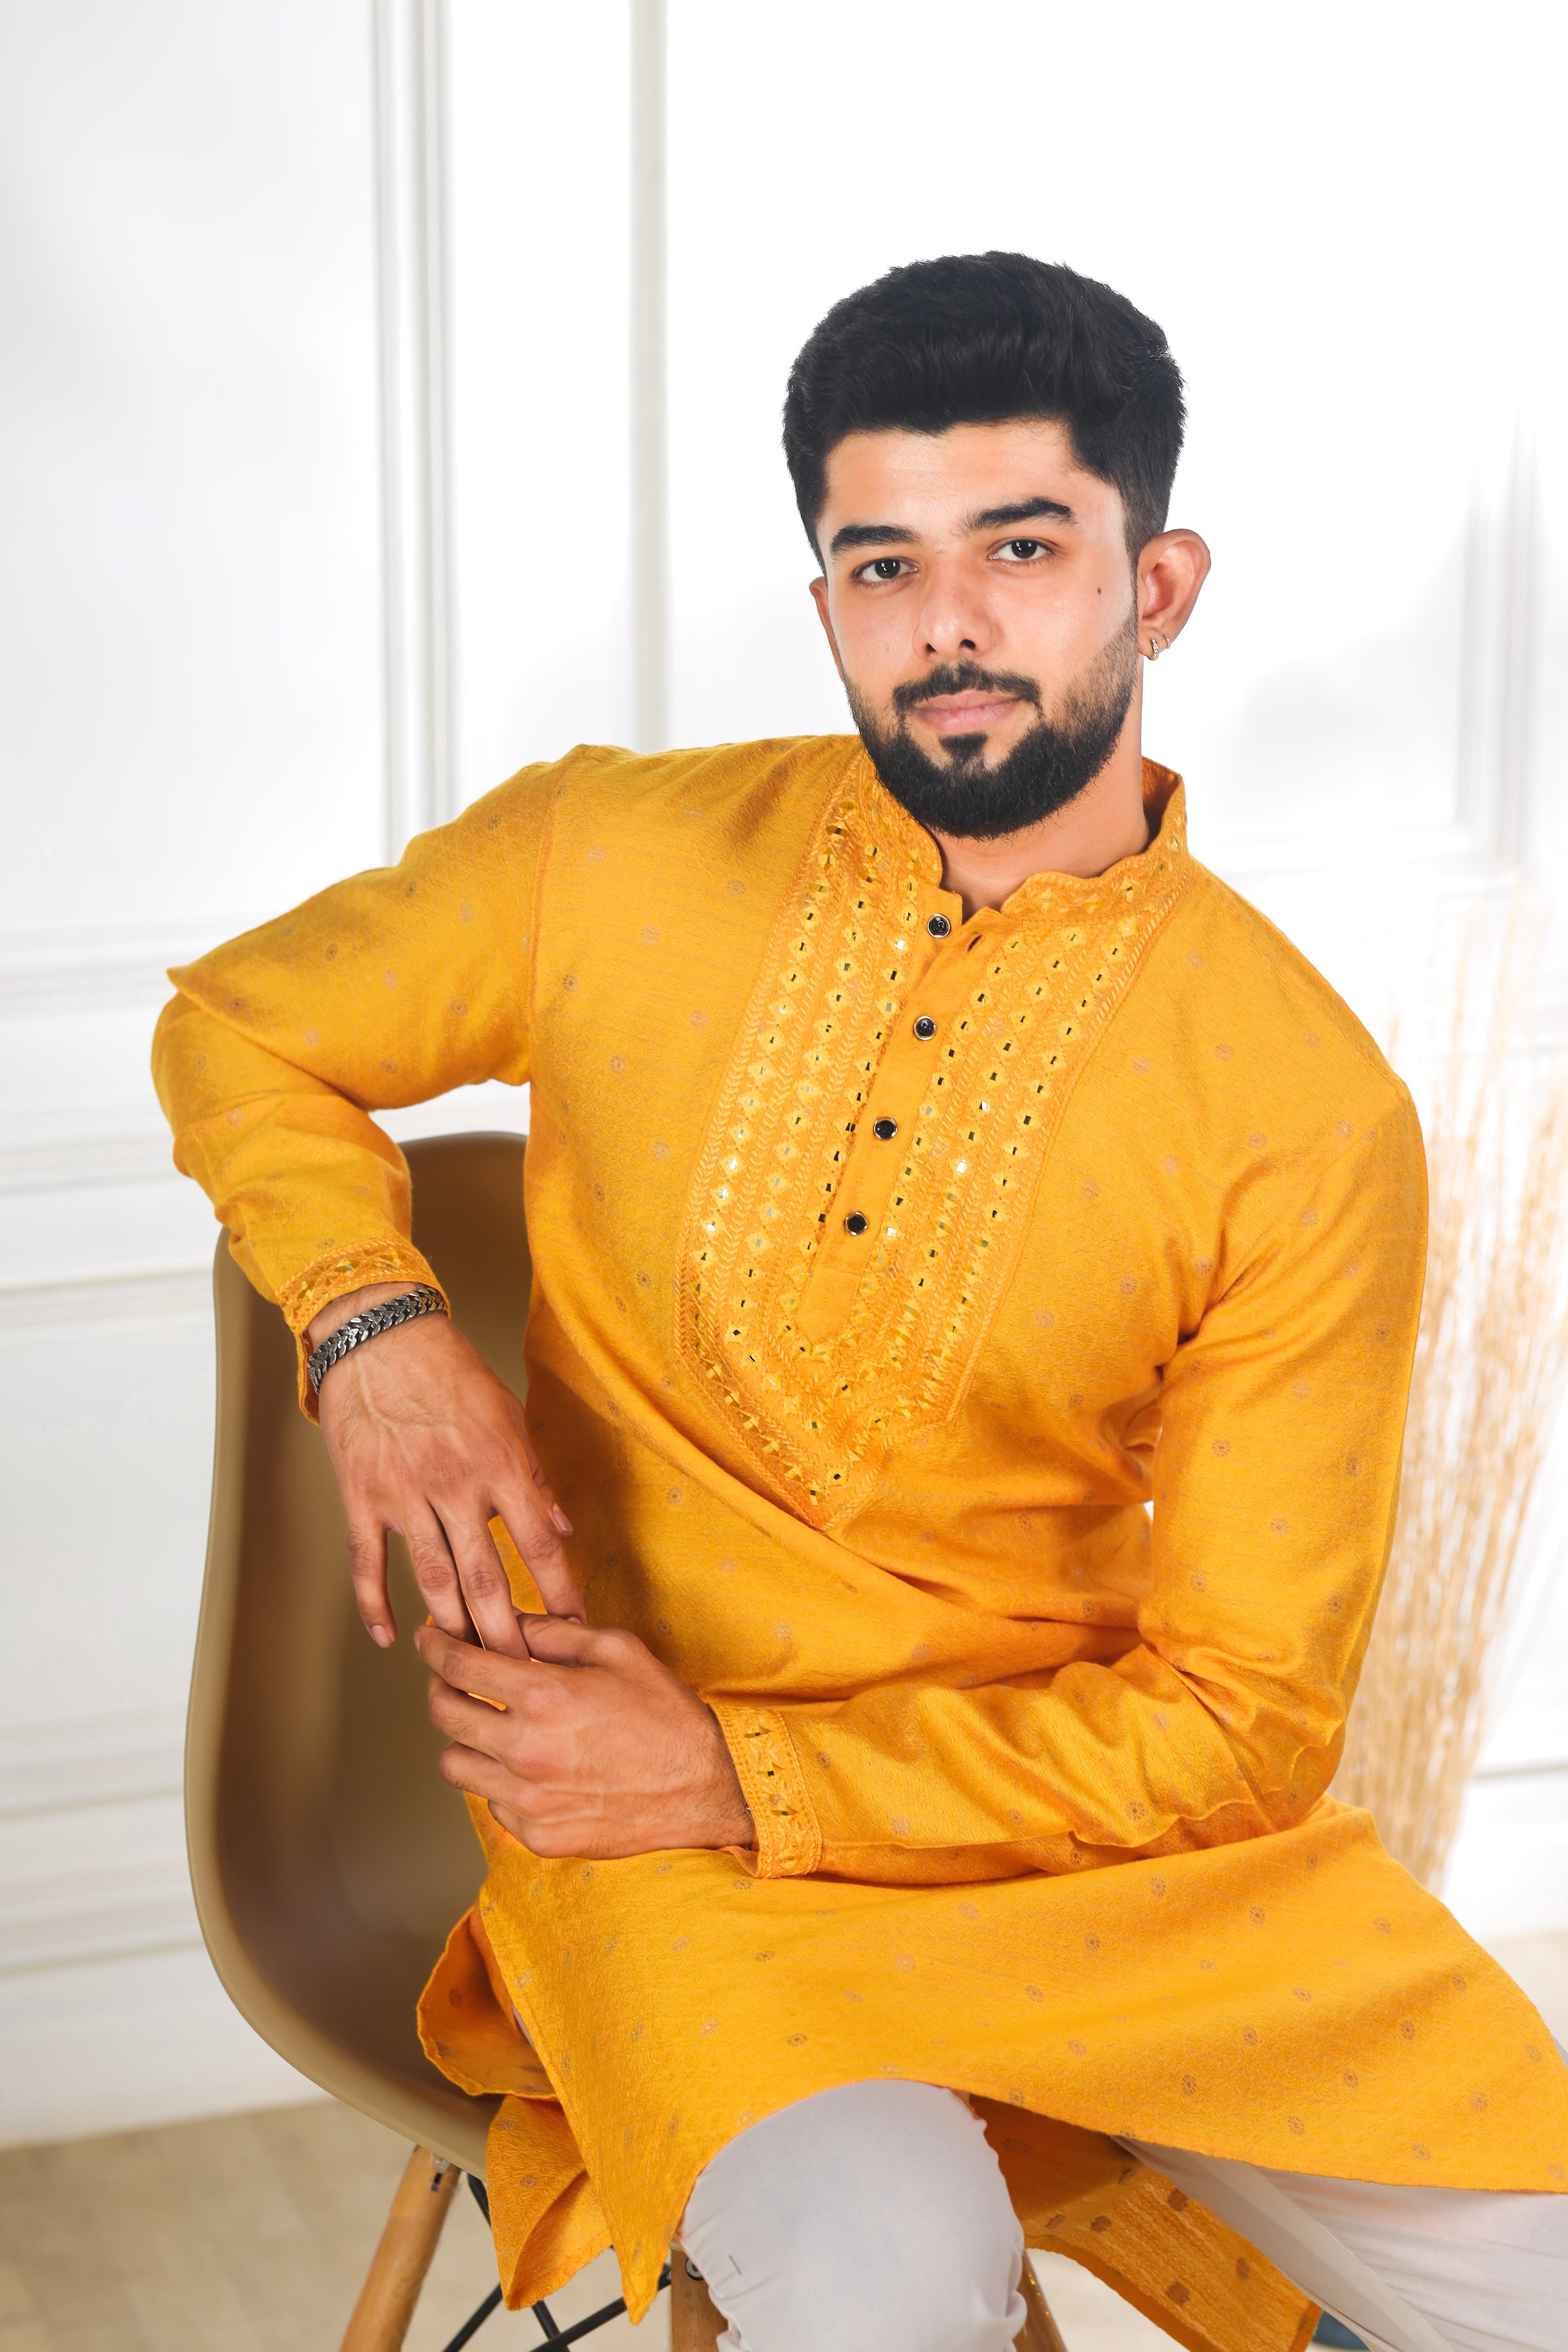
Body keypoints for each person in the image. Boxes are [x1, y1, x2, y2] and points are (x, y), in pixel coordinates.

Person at [153, 254, 1566, 2352]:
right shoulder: (610, 853)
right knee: (882, 2274)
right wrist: (375, 1332)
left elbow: (1244, 1721)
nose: (946, 624)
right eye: (882, 564)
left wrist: (746, 1771)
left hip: (1093, 1853)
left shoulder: (1298, 1107)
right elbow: (240, 1025)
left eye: (1022, 549)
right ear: (824, 599)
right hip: (635, 1830)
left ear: (1159, 584)